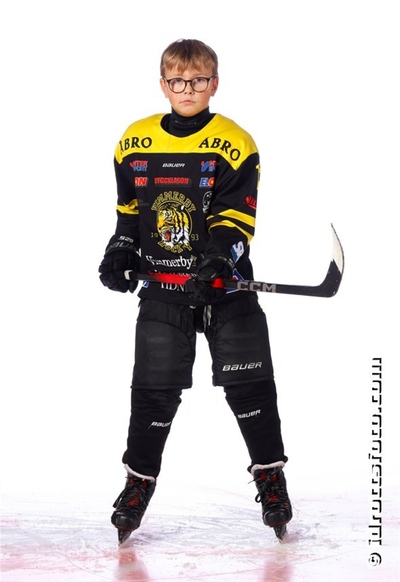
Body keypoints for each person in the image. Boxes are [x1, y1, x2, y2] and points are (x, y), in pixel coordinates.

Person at [99, 38, 292, 543]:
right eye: (178, 81)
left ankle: (271, 478)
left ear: (214, 84)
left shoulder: (235, 142)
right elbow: (129, 212)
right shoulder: (134, 141)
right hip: (163, 291)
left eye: (198, 80)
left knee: (251, 388)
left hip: (225, 290)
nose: (188, 89)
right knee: (152, 395)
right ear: (163, 84)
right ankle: (137, 485)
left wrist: (217, 258)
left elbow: (236, 218)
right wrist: (120, 250)